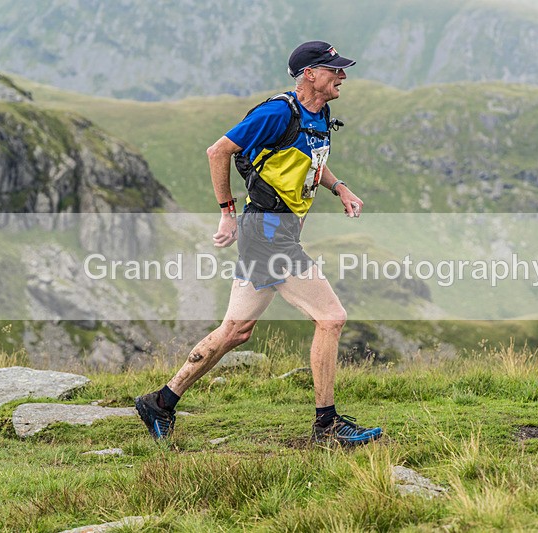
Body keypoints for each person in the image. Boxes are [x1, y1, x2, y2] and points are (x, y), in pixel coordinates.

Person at [135, 41, 382, 446]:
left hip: (273, 232)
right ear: (309, 75)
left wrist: (340, 187)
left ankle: (160, 402)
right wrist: (226, 212)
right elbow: (219, 151)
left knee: (235, 330)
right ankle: (327, 426)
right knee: (331, 318)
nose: (342, 75)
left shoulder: (318, 114)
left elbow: (311, 160)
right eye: (333, 69)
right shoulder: (276, 112)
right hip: (267, 233)